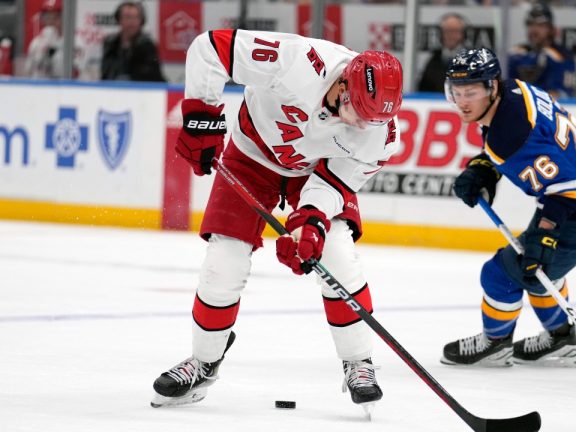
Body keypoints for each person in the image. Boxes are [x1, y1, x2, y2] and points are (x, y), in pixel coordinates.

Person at [150, 29, 403, 413]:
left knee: (336, 255)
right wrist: (202, 115)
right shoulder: (296, 60)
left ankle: (359, 362)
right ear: (342, 82)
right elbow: (211, 48)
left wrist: (312, 222)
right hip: (251, 156)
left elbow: (335, 182)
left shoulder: (380, 133)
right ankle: (203, 363)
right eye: (354, 111)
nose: (356, 126)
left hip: (315, 173)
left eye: (368, 121)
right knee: (223, 264)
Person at [440, 48, 576, 367]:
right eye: (456, 92)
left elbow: (569, 190)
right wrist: (484, 167)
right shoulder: (515, 90)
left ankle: (496, 342)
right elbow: (537, 141)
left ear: (491, 87)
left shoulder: (509, 133)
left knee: (501, 273)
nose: (462, 102)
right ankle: (560, 339)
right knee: (539, 272)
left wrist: (545, 236)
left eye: (470, 92)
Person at [507, 2, 576, 99]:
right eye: (531, 25)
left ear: (551, 29)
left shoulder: (561, 55)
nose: (534, 30)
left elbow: (561, 94)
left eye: (540, 25)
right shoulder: (517, 53)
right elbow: (506, 89)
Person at [100, 1, 164, 81]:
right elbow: (106, 73)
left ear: (141, 21)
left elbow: (151, 76)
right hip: (114, 89)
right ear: (119, 19)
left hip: (142, 90)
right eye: (128, 17)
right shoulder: (111, 43)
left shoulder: (147, 45)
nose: (132, 22)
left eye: (136, 17)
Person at [25, 0, 86, 79]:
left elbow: (75, 73)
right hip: (40, 87)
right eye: (47, 17)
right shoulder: (37, 42)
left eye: (55, 17)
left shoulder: (76, 42)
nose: (50, 22)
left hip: (65, 88)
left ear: (65, 18)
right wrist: (43, 52)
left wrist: (54, 51)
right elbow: (28, 70)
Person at [417, 13, 468, 93]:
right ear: (441, 34)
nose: (450, 35)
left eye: (455, 31)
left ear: (463, 34)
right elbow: (423, 89)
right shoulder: (433, 59)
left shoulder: (471, 59)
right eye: (447, 31)